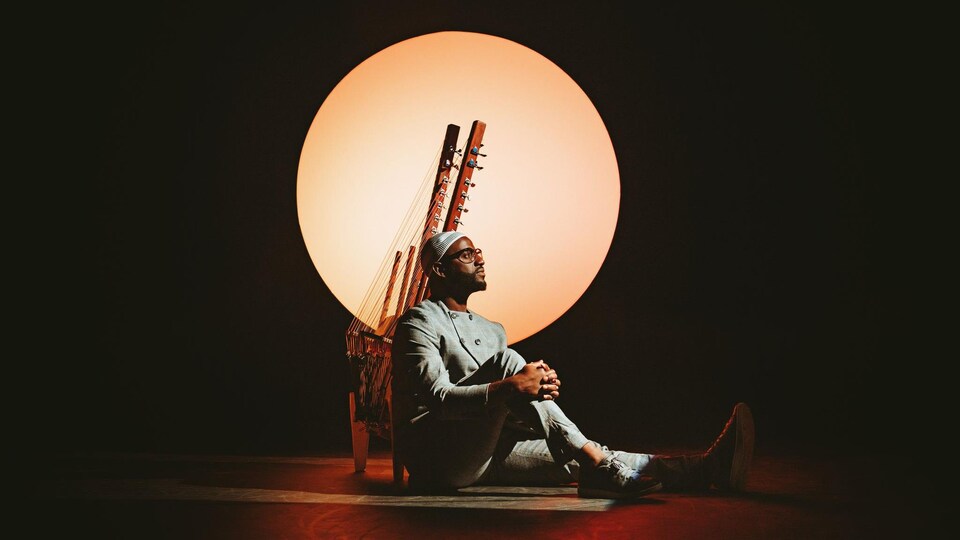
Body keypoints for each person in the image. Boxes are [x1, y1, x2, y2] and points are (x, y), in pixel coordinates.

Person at [390, 231, 755, 498]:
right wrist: (513, 385)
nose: (480, 260)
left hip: (489, 451)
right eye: (468, 255)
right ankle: (591, 456)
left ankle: (705, 468)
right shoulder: (418, 321)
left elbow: (503, 408)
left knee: (593, 458)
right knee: (512, 365)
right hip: (439, 458)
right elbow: (439, 399)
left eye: (479, 252)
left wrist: (535, 391)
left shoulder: (492, 329)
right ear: (439, 270)